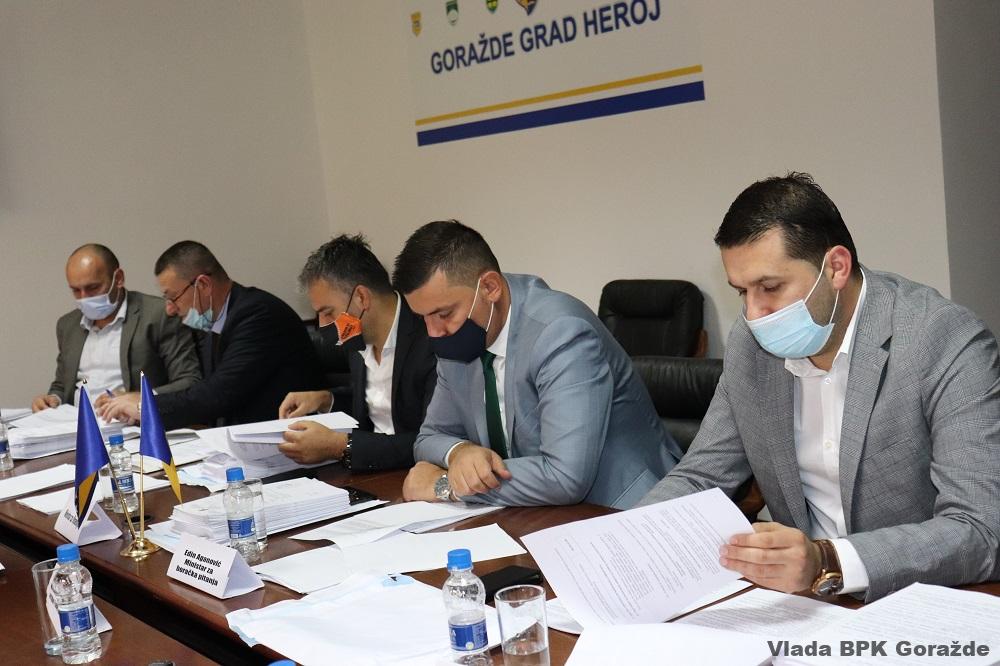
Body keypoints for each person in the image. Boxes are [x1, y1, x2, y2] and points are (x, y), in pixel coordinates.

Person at [640, 173, 1000, 602]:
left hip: (919, 599)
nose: (754, 313)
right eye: (742, 292)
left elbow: (980, 528)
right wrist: (622, 541)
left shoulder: (943, 339)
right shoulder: (751, 344)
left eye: (770, 287)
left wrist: (828, 560)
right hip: (802, 604)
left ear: (835, 268)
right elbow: (702, 476)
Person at [395, 220, 682, 509]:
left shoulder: (561, 333)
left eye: (444, 314)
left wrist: (446, 485)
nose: (434, 332)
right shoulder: (458, 341)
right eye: (423, 318)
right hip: (530, 511)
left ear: (490, 288)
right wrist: (459, 452)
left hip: (623, 509)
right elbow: (429, 437)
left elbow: (564, 477)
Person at [99, 241, 325, 429]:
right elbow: (201, 390)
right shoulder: (212, 321)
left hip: (288, 442)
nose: (169, 309)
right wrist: (142, 405)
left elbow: (218, 394)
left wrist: (145, 406)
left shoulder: (258, 315)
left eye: (173, 297)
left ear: (203, 285)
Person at [277, 234, 437, 471]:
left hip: (416, 474)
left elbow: (433, 441)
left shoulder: (432, 338)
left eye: (328, 312)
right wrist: (326, 399)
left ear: (361, 298)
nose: (322, 325)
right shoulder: (357, 337)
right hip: (369, 474)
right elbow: (376, 403)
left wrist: (341, 446)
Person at [32, 244, 200, 411]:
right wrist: (52, 399)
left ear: (118, 278)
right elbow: (63, 385)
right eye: (76, 290)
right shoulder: (67, 325)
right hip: (77, 421)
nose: (84, 298)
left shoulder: (158, 315)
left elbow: (189, 380)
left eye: (93, 288)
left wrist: (143, 398)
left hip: (131, 421)